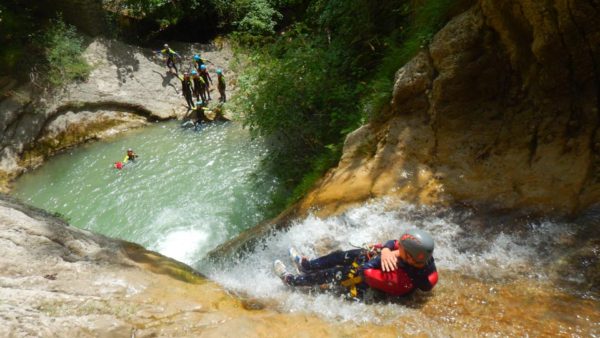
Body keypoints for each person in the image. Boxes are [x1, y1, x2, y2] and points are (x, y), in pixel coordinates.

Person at [273, 228, 438, 299]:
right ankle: (307, 266)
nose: (398, 246)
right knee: (342, 255)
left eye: (401, 249)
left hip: (368, 281)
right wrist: (388, 251)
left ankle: (292, 281)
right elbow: (393, 242)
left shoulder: (399, 280)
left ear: (408, 257)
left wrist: (381, 257)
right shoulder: (421, 257)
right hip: (377, 266)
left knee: (334, 274)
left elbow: (366, 273)